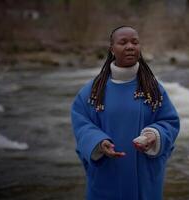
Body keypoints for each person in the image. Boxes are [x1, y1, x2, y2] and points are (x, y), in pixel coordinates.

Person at [70, 26, 180, 200]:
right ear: (112, 49)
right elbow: (81, 125)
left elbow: (169, 121)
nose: (130, 46)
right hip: (107, 176)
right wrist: (98, 143)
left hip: (144, 178)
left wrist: (154, 135)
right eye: (123, 42)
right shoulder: (92, 91)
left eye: (135, 42)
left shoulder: (153, 88)